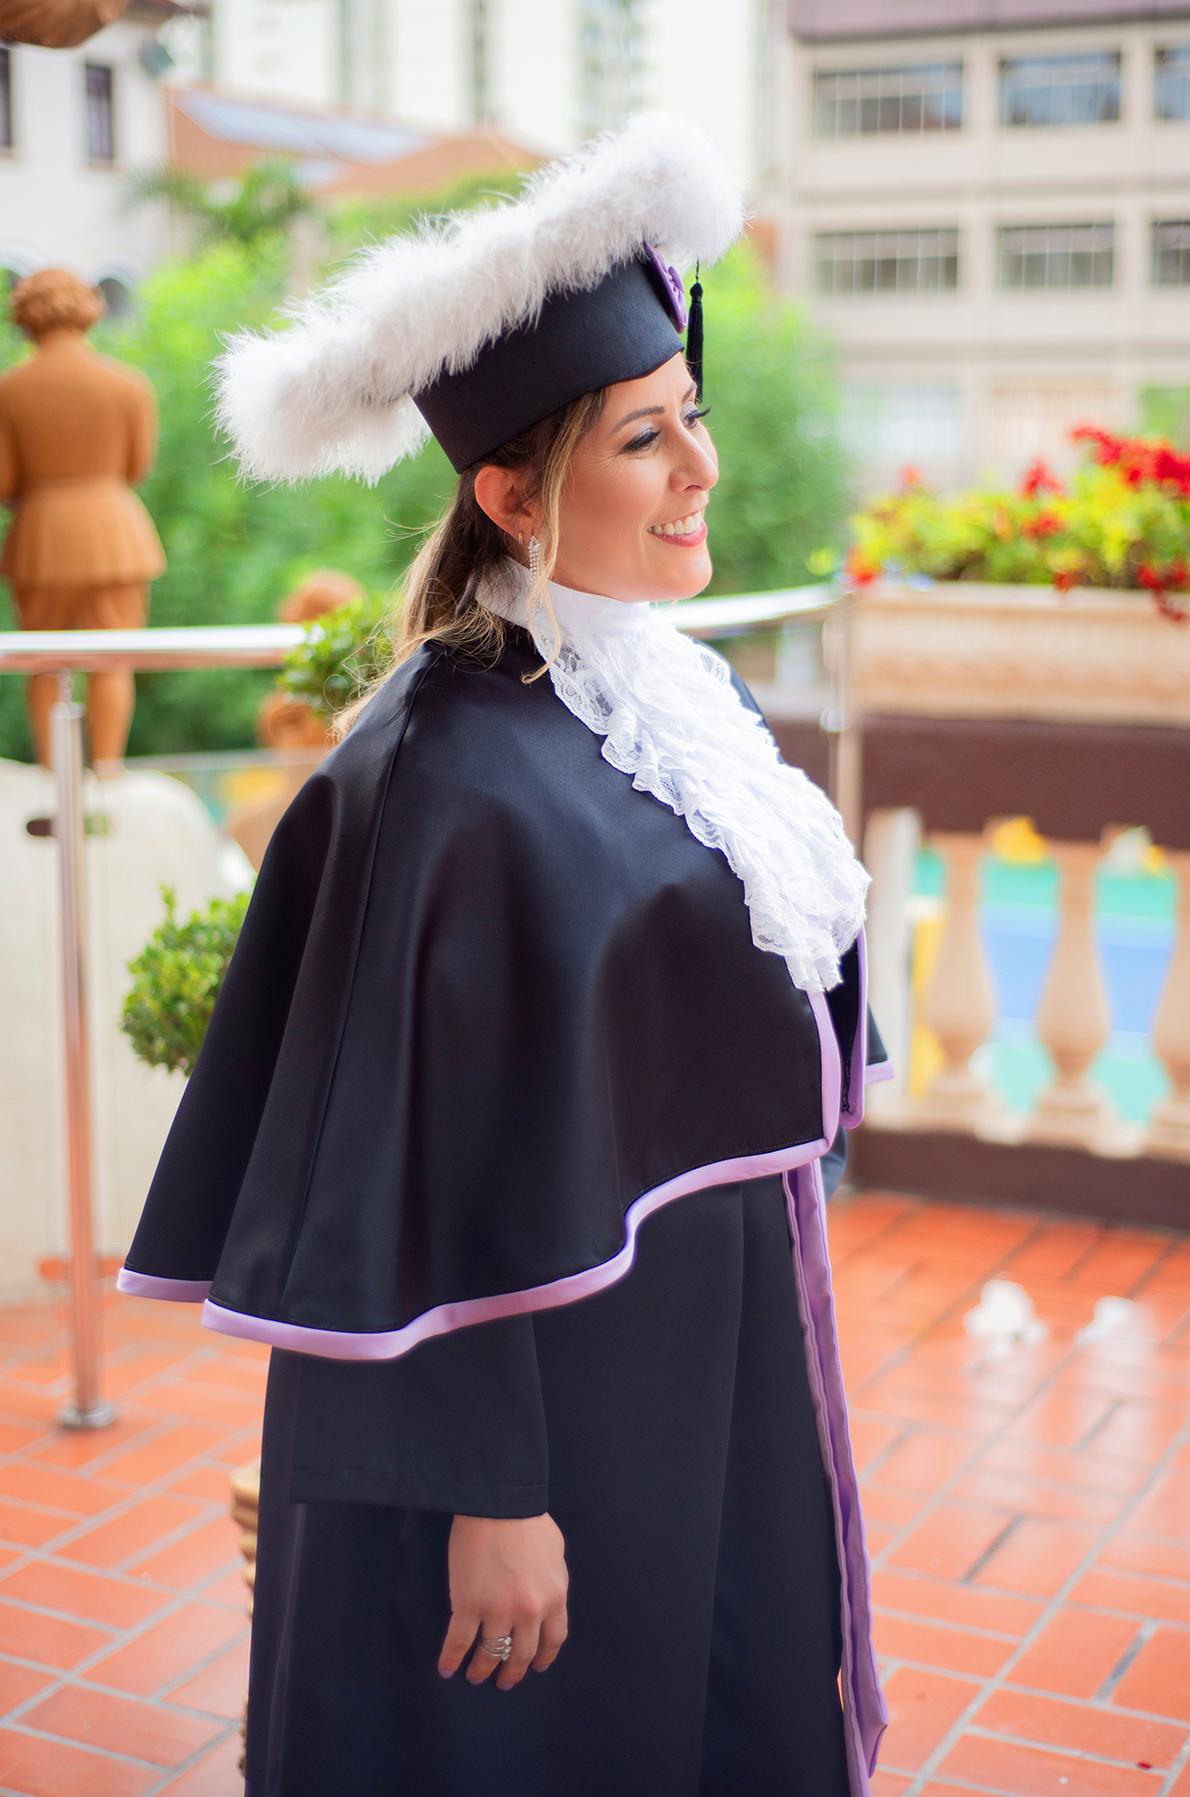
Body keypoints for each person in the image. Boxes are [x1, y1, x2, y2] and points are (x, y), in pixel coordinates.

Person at [118, 114, 890, 1796]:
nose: (698, 468)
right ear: (509, 491)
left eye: (691, 416)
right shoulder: (432, 776)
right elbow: (398, 1162)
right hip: (542, 1414)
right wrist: (492, 1492)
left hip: (710, 1328)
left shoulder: (671, 696)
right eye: (642, 437)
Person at [0, 268, 165, 772]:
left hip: (40, 540)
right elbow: (138, 467)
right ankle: (109, 770)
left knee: (43, 664)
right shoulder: (127, 384)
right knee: (113, 660)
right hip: (115, 533)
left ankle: (53, 774)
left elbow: (4, 482)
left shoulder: (8, 390)